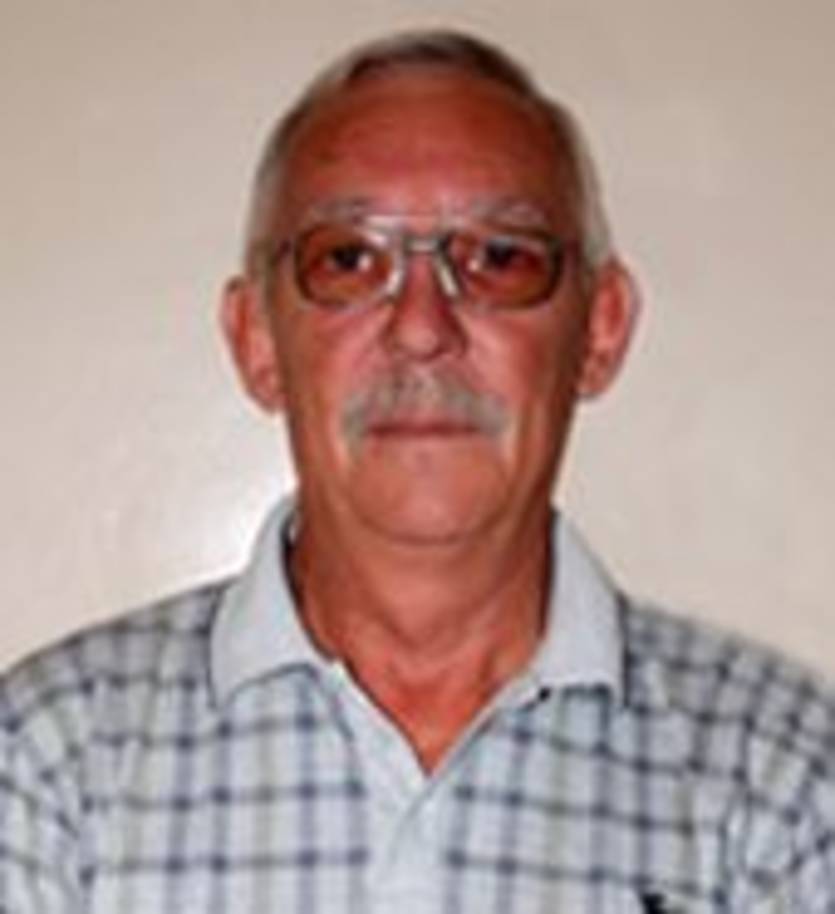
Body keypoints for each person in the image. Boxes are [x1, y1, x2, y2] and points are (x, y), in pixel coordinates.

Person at [1, 29, 833, 914]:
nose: (422, 328)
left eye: (499, 258)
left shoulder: (785, 787)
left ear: (599, 330)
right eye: (349, 259)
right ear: (257, 341)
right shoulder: (48, 773)